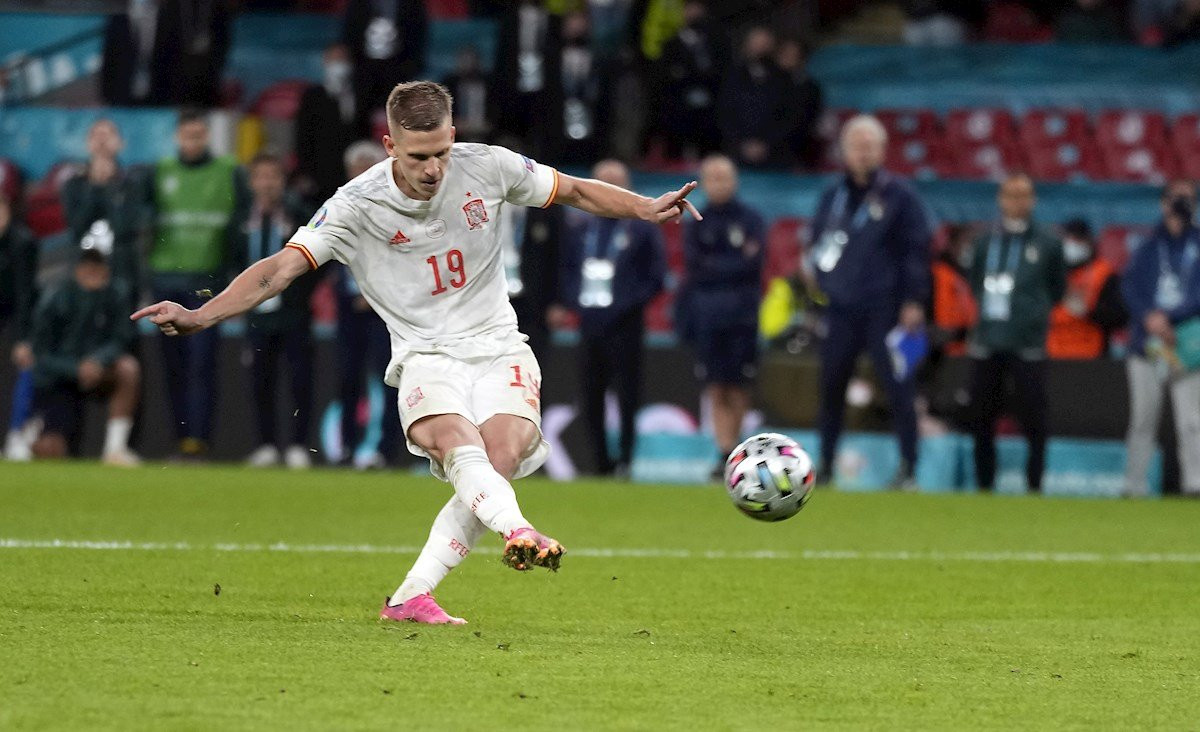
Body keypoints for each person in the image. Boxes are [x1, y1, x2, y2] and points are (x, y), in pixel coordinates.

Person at [132, 81, 701, 624]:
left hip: (499, 344)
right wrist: (202, 314)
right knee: (459, 444)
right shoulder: (356, 205)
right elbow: (280, 268)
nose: (434, 168)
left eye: (442, 152)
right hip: (426, 355)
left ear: (454, 134)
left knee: (497, 460)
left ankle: (411, 595)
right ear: (390, 145)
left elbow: (573, 189)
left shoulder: (487, 164)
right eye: (418, 156)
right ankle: (519, 530)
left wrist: (645, 208)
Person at [808, 116, 932, 488]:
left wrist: (913, 299)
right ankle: (826, 465)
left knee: (899, 387)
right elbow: (819, 241)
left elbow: (917, 251)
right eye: (856, 146)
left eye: (869, 146)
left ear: (882, 151)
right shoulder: (833, 195)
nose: (862, 153)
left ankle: (908, 468)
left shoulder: (901, 197)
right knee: (831, 385)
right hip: (841, 306)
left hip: (886, 308)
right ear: (844, 151)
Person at [551, 160, 667, 477]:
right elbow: (567, 270)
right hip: (589, 322)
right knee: (591, 395)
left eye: (617, 183)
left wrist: (624, 304)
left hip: (626, 323)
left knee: (628, 393)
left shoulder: (641, 228)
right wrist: (577, 302)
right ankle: (600, 462)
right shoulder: (580, 227)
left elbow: (655, 277)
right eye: (605, 183)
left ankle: (626, 459)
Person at [145, 109, 248, 459]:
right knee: (173, 366)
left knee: (202, 365)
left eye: (198, 135)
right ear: (178, 137)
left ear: (207, 137)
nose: (193, 142)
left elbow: (239, 226)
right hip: (166, 280)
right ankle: (180, 439)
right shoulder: (159, 172)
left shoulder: (228, 172)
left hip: (207, 283)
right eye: (187, 135)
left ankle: (198, 441)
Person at [966, 174, 1066, 493]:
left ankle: (1034, 484)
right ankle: (984, 484)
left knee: (1035, 418)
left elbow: (1057, 289)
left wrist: (1032, 314)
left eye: (1023, 195)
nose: (1017, 202)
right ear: (1000, 199)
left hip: (1028, 343)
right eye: (1011, 195)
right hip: (988, 339)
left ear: (1033, 200)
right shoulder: (984, 241)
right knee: (982, 416)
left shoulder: (1048, 242)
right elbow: (974, 281)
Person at [679, 154, 766, 478]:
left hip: (743, 315)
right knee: (715, 386)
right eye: (712, 178)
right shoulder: (695, 220)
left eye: (725, 177)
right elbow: (696, 267)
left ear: (735, 180)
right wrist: (731, 265)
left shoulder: (751, 219)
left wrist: (718, 267)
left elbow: (753, 265)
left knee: (739, 385)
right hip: (707, 315)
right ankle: (724, 450)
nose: (720, 183)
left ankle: (736, 447)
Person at [1121, 179, 1200, 497]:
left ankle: (1195, 483)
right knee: (1142, 419)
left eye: (1187, 198)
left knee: (1192, 420)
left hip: (1187, 345)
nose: (1180, 203)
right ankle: (1134, 484)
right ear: (1162, 203)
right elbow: (1129, 288)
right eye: (1174, 197)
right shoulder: (1148, 246)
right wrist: (1150, 317)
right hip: (1147, 345)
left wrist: (1171, 317)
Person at [239, 154, 319, 469]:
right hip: (256, 314)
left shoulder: (300, 216)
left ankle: (299, 445)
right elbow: (234, 257)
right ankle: (266, 444)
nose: (267, 183)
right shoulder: (243, 219)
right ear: (252, 182)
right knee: (261, 381)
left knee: (300, 380)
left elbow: (317, 259)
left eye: (273, 176)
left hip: (294, 313)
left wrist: (302, 294)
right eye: (261, 176)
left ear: (282, 181)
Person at [31, 247, 140, 465]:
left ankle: (115, 449)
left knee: (128, 368)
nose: (94, 275)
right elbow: (41, 355)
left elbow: (122, 338)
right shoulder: (55, 298)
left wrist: (97, 361)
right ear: (78, 270)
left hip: (101, 372)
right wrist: (75, 368)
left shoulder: (117, 295)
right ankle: (30, 435)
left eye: (98, 268)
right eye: (88, 268)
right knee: (53, 451)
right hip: (59, 380)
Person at [332, 140, 404, 468]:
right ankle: (346, 447)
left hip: (386, 310)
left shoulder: (397, 208)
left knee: (389, 378)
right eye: (355, 170)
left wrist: (373, 294)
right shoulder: (337, 207)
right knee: (348, 377)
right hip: (348, 307)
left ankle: (386, 450)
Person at [61, 119, 145, 310]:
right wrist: (94, 187)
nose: (101, 141)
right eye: (96, 135)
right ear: (87, 143)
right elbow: (76, 227)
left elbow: (125, 227)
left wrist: (109, 187)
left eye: (108, 135)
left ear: (121, 143)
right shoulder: (73, 184)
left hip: (122, 274)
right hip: (82, 273)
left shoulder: (132, 184)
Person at [294, 45, 367, 207]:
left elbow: (363, 134)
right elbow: (303, 136)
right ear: (325, 62)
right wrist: (304, 172)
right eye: (334, 60)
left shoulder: (359, 95)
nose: (339, 65)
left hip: (350, 175)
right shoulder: (313, 96)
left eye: (342, 60)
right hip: (319, 175)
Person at [1046, 218, 1126, 360]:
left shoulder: (1105, 274)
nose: (1071, 243)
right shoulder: (1051, 273)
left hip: (1092, 359)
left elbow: (1120, 317)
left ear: (1088, 241)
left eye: (1077, 239)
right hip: (1053, 357)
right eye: (1067, 238)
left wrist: (1088, 311)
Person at [717, 26, 788, 169]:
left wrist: (767, 143)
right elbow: (725, 112)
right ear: (747, 44)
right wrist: (742, 143)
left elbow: (788, 115)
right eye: (756, 43)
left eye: (764, 43)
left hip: (776, 154)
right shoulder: (732, 76)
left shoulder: (783, 79)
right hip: (737, 152)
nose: (760, 48)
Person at [1, 191, 39, 460]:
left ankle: (16, 435)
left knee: (27, 365)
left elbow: (25, 293)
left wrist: (25, 338)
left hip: (18, 314)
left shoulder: (23, 242)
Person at [342, 0, 428, 115]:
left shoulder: (412, 4)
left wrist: (410, 66)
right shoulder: (358, 4)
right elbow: (349, 31)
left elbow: (418, 36)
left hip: (399, 65)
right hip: (363, 66)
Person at [929, 223, 978, 359]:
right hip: (941, 350)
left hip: (965, 348)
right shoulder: (937, 273)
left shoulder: (964, 275)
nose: (968, 248)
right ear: (952, 244)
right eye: (965, 242)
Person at [774, 39, 824, 171]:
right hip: (766, 152)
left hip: (796, 151)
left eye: (792, 55)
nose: (787, 59)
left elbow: (807, 120)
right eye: (784, 55)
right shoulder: (764, 84)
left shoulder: (809, 88)